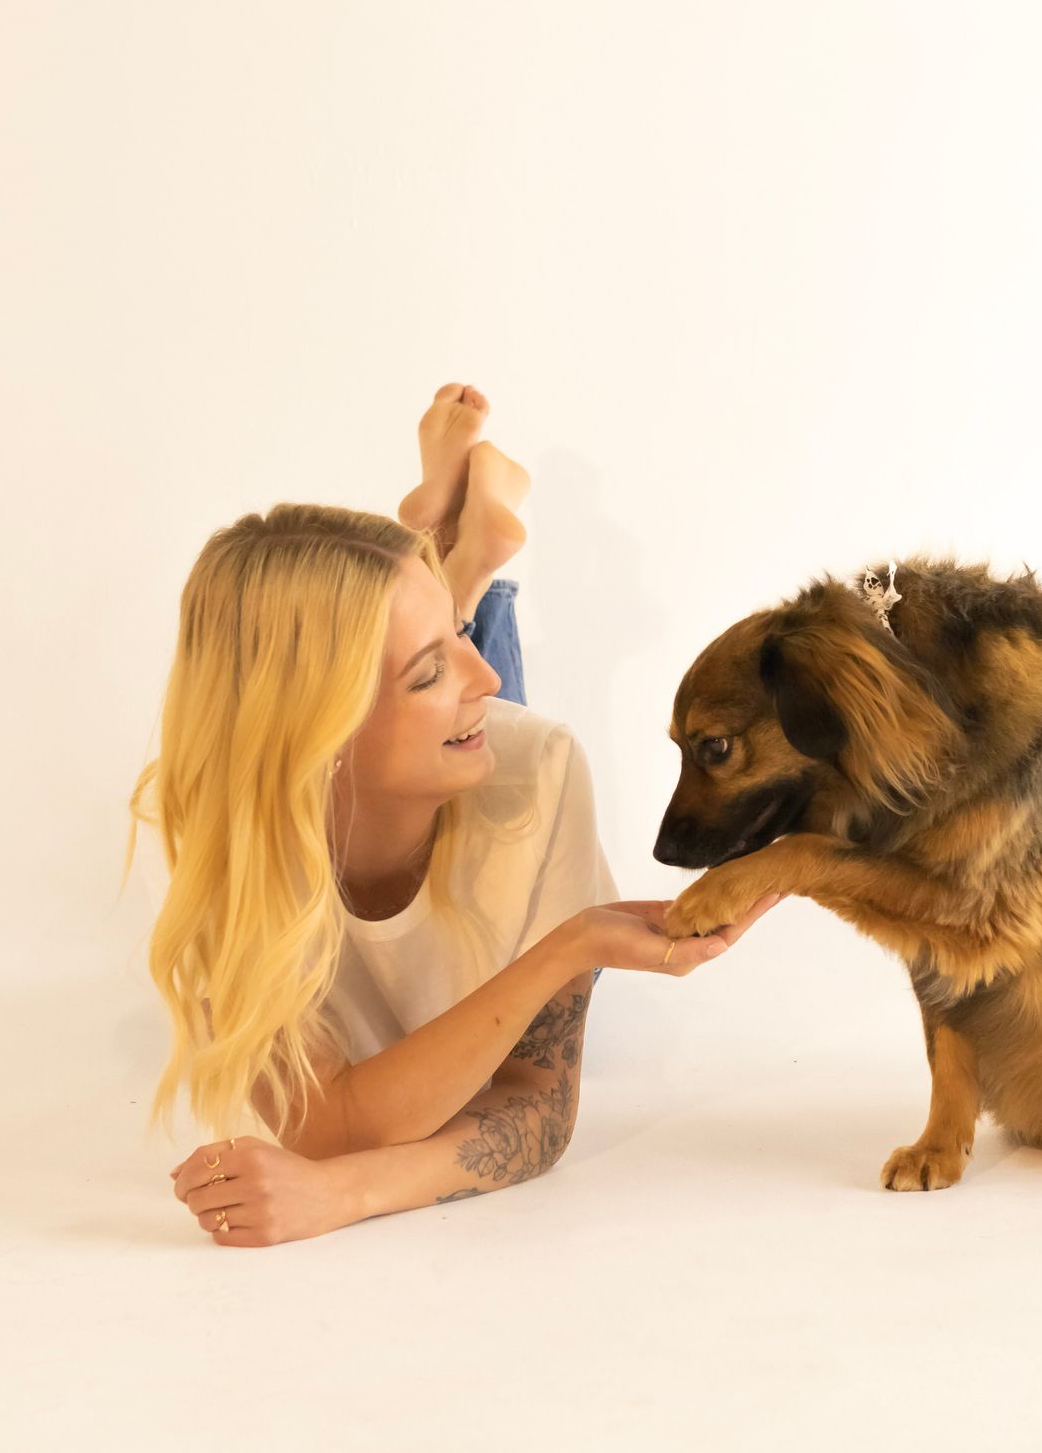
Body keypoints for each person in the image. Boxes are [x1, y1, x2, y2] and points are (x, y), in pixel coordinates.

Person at [128, 385, 779, 1247]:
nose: (485, 679)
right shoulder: (225, 827)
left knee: (495, 725)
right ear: (312, 734)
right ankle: (458, 562)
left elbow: (532, 1107)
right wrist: (339, 1169)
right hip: (337, 781)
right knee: (450, 680)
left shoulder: (540, 767)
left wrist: (573, 942)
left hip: (483, 779)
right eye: (430, 672)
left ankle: (458, 564)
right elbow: (330, 1128)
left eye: (457, 647)